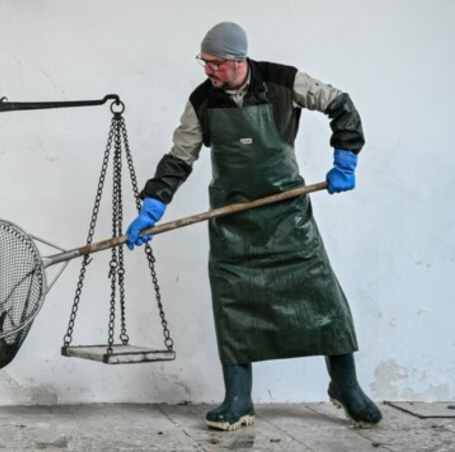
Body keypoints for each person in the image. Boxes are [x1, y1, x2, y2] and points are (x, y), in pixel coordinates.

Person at [126, 22, 382, 431]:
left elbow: (341, 104)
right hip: (233, 222)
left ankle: (346, 387)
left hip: (288, 217)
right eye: (204, 62)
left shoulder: (284, 81)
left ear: (239, 60)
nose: (207, 71)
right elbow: (179, 157)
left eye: (215, 63)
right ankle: (238, 399)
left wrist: (345, 158)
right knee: (234, 311)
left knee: (325, 304)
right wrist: (152, 206)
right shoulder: (202, 102)